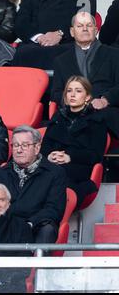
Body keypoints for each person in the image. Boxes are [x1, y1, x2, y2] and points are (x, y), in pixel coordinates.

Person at [0, 125, 67, 243]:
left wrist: (30, 223)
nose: (19, 150)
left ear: (37, 148)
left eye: (25, 145)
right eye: (15, 145)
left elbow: (53, 209)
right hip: (8, 225)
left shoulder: (55, 173)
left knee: (47, 229)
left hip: (36, 225)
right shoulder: (2, 173)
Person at [42, 76, 107, 207]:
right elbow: (45, 146)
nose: (72, 94)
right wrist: (50, 155)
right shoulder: (57, 117)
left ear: (87, 97)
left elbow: (95, 155)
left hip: (79, 169)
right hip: (52, 165)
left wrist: (69, 156)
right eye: (69, 91)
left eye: (78, 91)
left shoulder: (97, 121)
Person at [52, 11, 119, 109]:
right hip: (72, 114)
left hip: (105, 112)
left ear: (96, 30)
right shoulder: (61, 60)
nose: (84, 29)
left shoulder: (114, 55)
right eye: (79, 26)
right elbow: (56, 93)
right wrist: (74, 100)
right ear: (72, 32)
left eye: (89, 25)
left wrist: (105, 100)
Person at [11, 0, 96, 70]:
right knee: (23, 53)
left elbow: (84, 21)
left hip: (69, 43)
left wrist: (60, 34)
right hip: (35, 43)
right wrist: (39, 37)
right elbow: (21, 23)